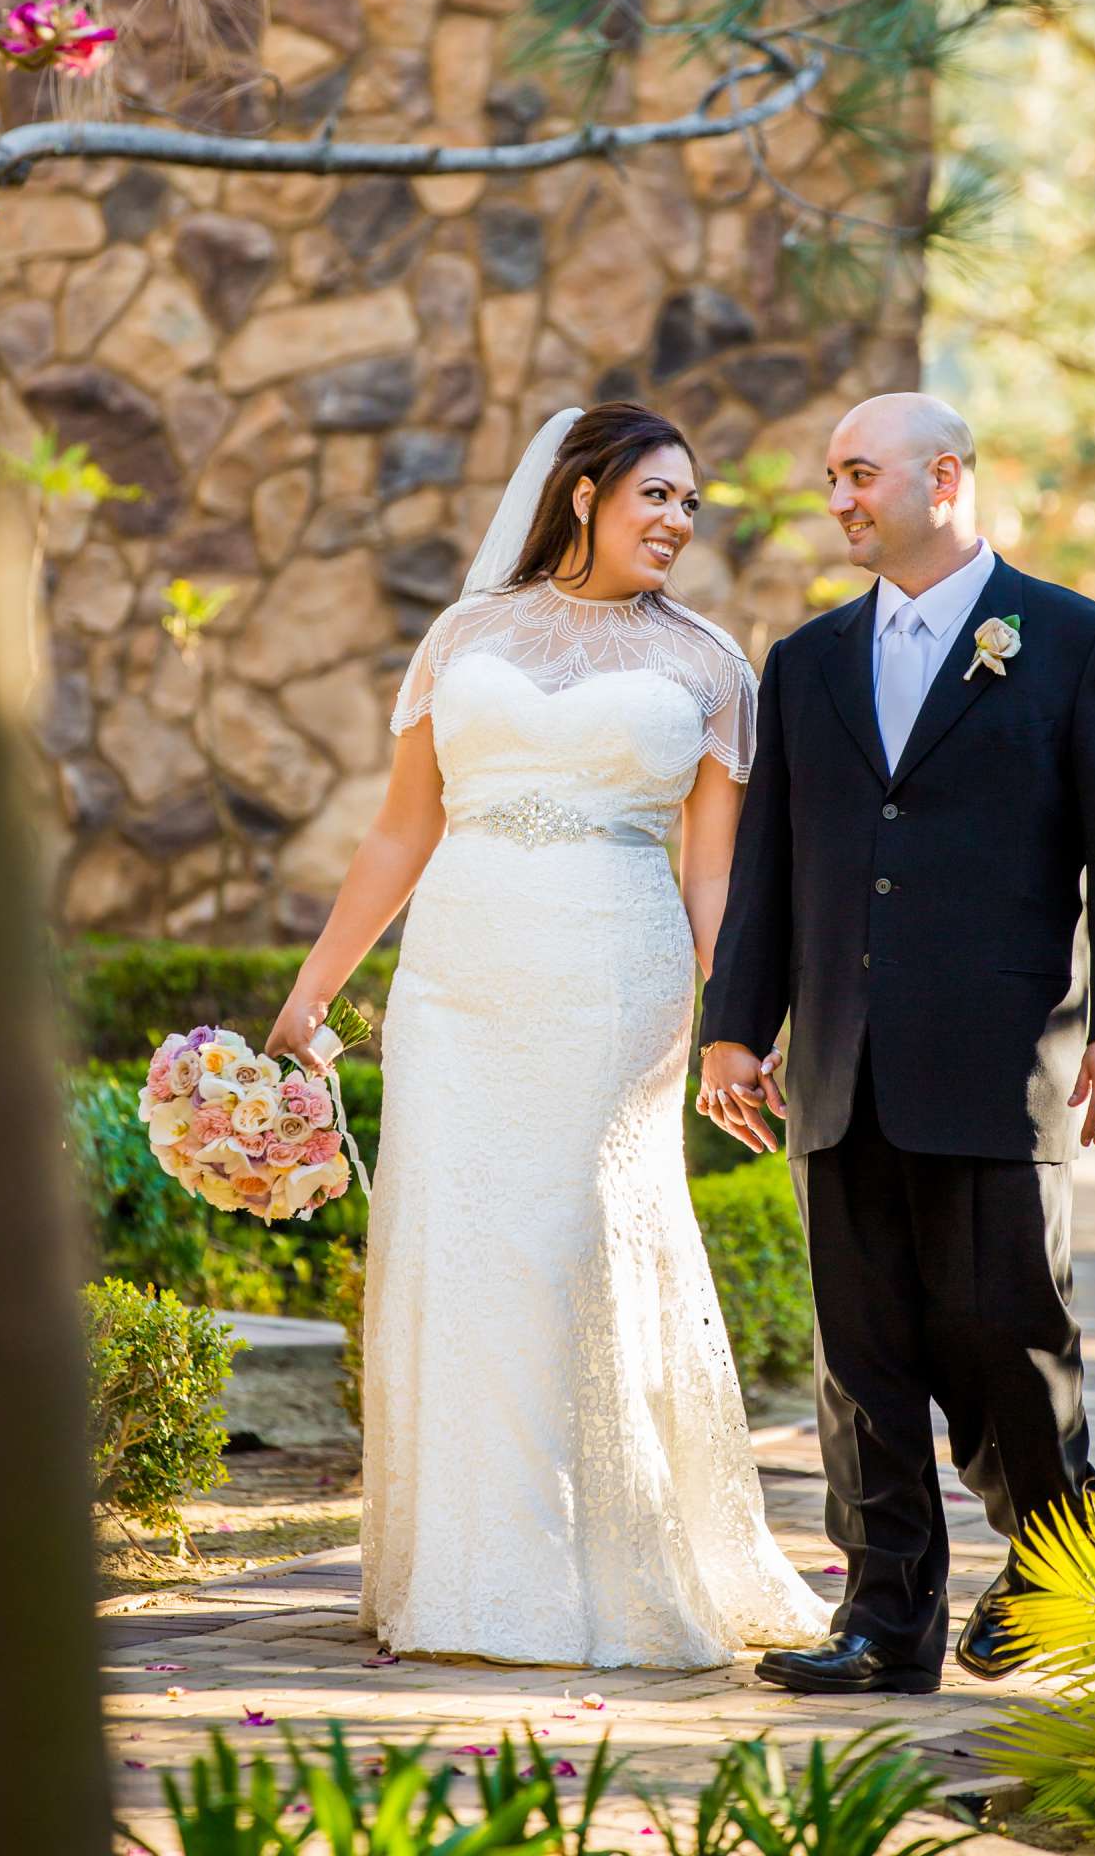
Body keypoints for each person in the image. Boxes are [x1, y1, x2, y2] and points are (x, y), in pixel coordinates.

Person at [268, 402, 827, 1669]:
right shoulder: (467, 633)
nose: (680, 522)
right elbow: (403, 832)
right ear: (584, 493)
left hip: (611, 980)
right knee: (459, 1251)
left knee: (571, 1242)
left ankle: (610, 1570)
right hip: (456, 980)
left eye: (692, 504)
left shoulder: (708, 666)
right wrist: (315, 995)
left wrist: (736, 1025)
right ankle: (462, 1577)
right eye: (658, 496)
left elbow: (713, 881)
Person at [699, 392, 1095, 1696]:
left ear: (945, 477)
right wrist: (735, 1031)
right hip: (841, 1068)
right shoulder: (803, 662)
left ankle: (1060, 1558)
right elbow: (770, 870)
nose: (841, 498)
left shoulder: (1077, 643)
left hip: (1000, 1058)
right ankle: (883, 1620)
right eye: (835, 479)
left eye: (861, 475)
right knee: (861, 1360)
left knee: (1007, 1336)